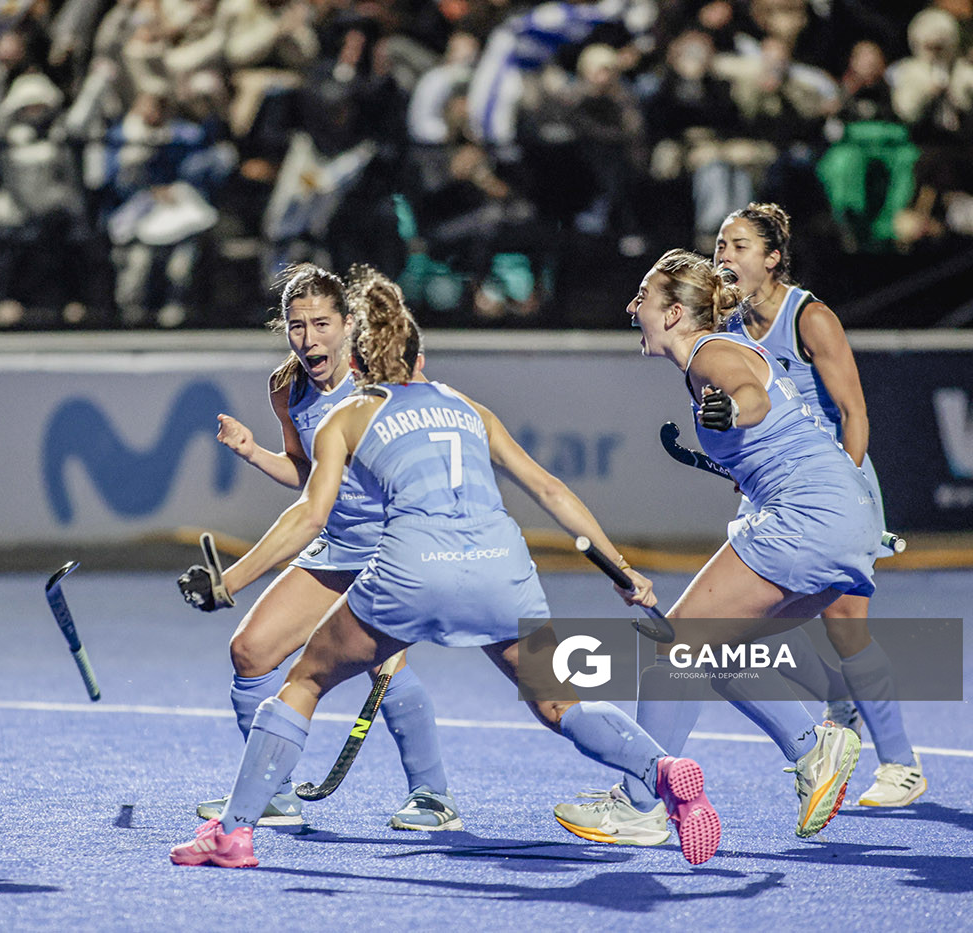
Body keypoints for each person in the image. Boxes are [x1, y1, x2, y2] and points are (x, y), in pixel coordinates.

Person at [172, 265, 722, 869]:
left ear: (360, 356)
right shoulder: (467, 407)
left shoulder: (347, 415)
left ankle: (236, 834)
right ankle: (661, 769)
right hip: (500, 567)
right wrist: (621, 569)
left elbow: (308, 515)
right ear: (421, 358)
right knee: (558, 701)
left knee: (303, 682)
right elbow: (549, 488)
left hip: (409, 569)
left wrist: (230, 581)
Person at [553, 249, 876, 849]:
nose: (631, 307)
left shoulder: (709, 354)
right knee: (710, 652)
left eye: (643, 298)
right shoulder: (720, 353)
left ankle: (643, 805)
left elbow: (750, 397)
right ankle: (812, 748)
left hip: (808, 516)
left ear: (674, 313)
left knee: (673, 644)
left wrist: (732, 412)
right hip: (846, 518)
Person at [198, 264, 460, 831]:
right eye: (297, 325)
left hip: (394, 549)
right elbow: (308, 476)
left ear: (347, 325)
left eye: (321, 324)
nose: (309, 338)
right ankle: (272, 793)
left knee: (384, 666)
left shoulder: (382, 379)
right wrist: (253, 453)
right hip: (337, 545)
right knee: (251, 652)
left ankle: (434, 799)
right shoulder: (286, 387)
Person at [716, 202, 923, 807]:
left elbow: (854, 414)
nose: (724, 255)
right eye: (720, 244)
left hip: (836, 488)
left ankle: (901, 766)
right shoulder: (727, 327)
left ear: (773, 258)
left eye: (738, 245)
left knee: (845, 622)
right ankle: (837, 695)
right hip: (776, 492)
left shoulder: (811, 318)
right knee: (741, 628)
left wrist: (848, 492)